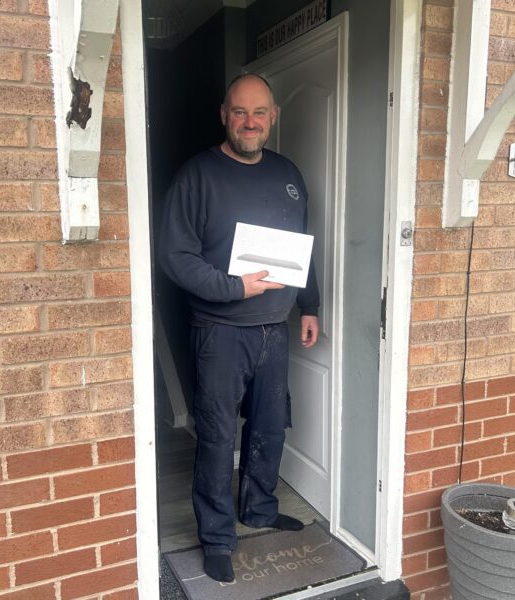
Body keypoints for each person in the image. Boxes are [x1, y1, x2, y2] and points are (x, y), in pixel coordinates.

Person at [160, 73, 320, 583]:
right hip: (220, 330)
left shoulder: (288, 174)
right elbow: (175, 256)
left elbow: (301, 247)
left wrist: (309, 306)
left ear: (273, 117)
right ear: (224, 116)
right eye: (239, 112)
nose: (250, 122)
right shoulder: (197, 176)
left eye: (259, 112)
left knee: (269, 426)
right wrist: (234, 288)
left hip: (274, 327)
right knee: (217, 435)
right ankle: (216, 537)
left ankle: (260, 508)